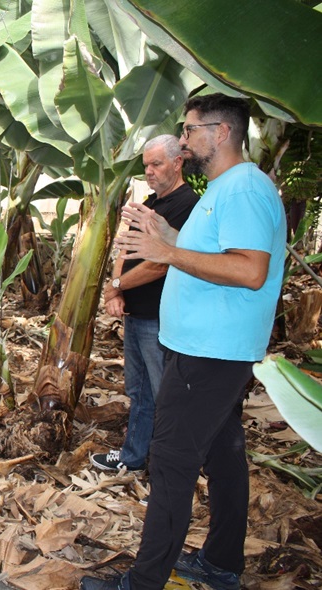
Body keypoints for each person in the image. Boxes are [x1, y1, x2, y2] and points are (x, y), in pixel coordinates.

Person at [80, 95, 286, 590]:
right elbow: (207, 252)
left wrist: (166, 251)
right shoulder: (222, 189)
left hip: (209, 354)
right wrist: (164, 231)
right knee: (223, 456)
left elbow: (250, 269)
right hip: (206, 350)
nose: (185, 140)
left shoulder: (243, 190)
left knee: (171, 464)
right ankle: (220, 564)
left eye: (191, 129)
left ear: (221, 132)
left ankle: (143, 581)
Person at [91, 135, 199, 473]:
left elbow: (164, 262)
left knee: (164, 395)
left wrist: (116, 285)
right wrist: (116, 291)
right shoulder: (149, 204)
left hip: (160, 318)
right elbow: (126, 249)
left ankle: (168, 468)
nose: (149, 172)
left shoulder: (188, 204)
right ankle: (133, 456)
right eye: (146, 166)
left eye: (156, 164)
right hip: (135, 314)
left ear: (178, 162)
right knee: (139, 392)